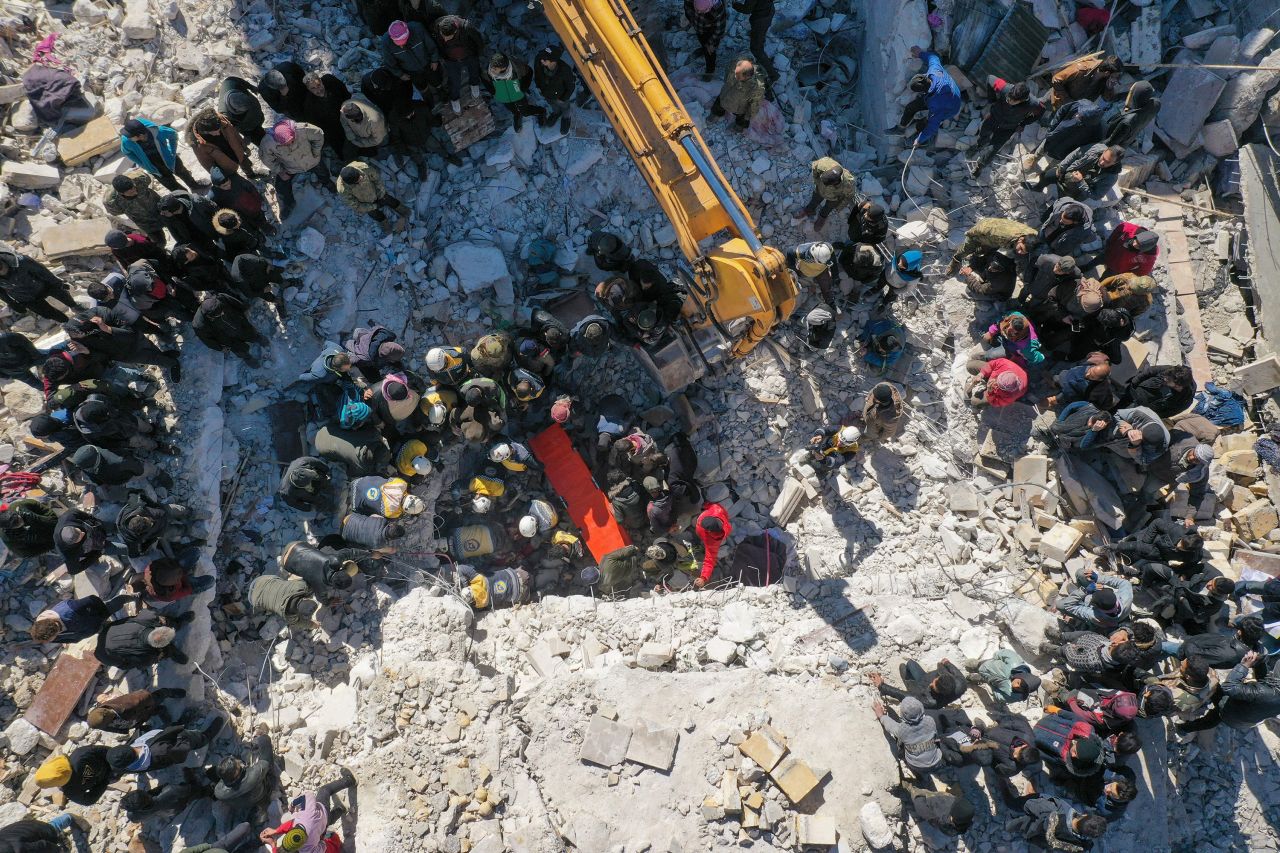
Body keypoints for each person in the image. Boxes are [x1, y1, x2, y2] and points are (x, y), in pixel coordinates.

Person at [259, 769, 357, 852]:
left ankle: (340, 809)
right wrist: (292, 805)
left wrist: (273, 843)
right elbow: (308, 796)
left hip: (323, 828)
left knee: (329, 820)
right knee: (325, 790)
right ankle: (349, 780)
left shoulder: (307, 850)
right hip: (323, 811)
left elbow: (322, 847)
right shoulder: (304, 816)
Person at [106, 717, 226, 776]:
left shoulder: (125, 766)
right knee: (197, 739)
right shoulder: (160, 751)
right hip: (175, 741)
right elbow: (180, 752)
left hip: (161, 738)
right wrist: (183, 737)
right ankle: (206, 736)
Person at [259, 119, 330, 219]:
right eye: (285, 144)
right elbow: (266, 159)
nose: (289, 145)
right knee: (281, 187)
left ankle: (327, 182)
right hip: (290, 167)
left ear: (293, 133)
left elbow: (319, 135)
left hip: (311, 160)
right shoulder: (268, 143)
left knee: (322, 172)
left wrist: (316, 152)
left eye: (291, 141)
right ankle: (288, 204)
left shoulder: (304, 130)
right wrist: (280, 171)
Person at [971, 77, 1044, 173]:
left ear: (1023, 100)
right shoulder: (1005, 88)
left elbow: (1041, 110)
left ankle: (979, 166)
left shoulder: (1033, 104)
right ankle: (979, 145)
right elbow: (989, 78)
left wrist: (1023, 123)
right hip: (993, 117)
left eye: (1013, 101)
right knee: (984, 132)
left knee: (993, 148)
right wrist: (991, 100)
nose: (1009, 101)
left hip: (1009, 127)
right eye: (1008, 98)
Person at [890, 47, 961, 145]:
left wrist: (920, 139)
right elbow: (933, 58)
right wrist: (920, 53)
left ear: (923, 92)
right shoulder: (933, 71)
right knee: (911, 107)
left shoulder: (936, 105)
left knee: (925, 123)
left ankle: (923, 141)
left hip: (951, 107)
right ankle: (900, 129)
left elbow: (933, 126)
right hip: (948, 94)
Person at [1006, 784, 1108, 849]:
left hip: (1033, 826)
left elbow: (1028, 805)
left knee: (1017, 818)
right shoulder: (1082, 846)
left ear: (1084, 815)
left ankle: (1009, 822)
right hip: (1041, 838)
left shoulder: (1056, 811)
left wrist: (1034, 798)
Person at [120, 117, 203, 191]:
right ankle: (186, 197)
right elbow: (127, 152)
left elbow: (173, 135)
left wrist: (172, 151)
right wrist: (142, 164)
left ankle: (194, 186)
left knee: (183, 172)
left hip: (169, 157)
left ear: (140, 135)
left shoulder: (158, 131)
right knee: (171, 185)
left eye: (130, 136)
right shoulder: (126, 141)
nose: (128, 137)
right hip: (153, 166)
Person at [0, 245, 76, 322]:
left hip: (41, 285)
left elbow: (43, 272)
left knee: (63, 295)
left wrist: (57, 283)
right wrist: (11, 303)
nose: (2, 272)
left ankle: (76, 307)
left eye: (2, 269)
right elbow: (1, 292)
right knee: (47, 313)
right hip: (24, 297)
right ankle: (66, 323)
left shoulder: (21, 261)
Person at [95, 608, 191, 669]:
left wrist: (161, 620)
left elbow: (148, 612)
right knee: (159, 654)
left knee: (164, 620)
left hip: (108, 632)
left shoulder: (147, 618)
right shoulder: (146, 657)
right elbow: (141, 663)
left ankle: (177, 622)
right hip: (105, 654)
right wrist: (160, 655)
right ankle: (170, 652)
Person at [873, 695, 943, 777]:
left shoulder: (902, 730)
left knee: (901, 745)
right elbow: (936, 737)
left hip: (917, 765)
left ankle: (919, 775)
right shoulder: (930, 721)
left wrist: (881, 716)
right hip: (936, 761)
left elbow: (890, 726)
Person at [215, 725, 277, 814]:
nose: (238, 762)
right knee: (264, 740)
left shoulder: (219, 792)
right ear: (236, 772)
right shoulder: (254, 774)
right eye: (237, 765)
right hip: (261, 794)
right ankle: (273, 779)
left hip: (242, 804)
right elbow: (265, 763)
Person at [30, 593, 134, 644]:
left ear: (55, 631)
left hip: (95, 617)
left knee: (115, 604)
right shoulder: (45, 631)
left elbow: (92, 599)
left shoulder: (69, 609)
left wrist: (102, 614)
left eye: (50, 639)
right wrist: (76, 640)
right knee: (110, 628)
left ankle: (135, 596)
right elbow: (64, 639)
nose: (49, 642)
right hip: (89, 628)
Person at [1032, 144, 1124, 202]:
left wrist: (1081, 182)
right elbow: (1075, 154)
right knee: (1045, 176)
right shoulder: (1097, 148)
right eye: (1103, 158)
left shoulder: (1111, 177)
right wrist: (1062, 168)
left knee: (1054, 212)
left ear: (1115, 163)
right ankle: (1037, 188)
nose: (1102, 162)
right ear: (1104, 151)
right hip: (1065, 174)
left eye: (1108, 162)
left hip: (1075, 192)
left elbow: (1096, 195)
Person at [947, 218, 1037, 276]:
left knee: (984, 250)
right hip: (983, 232)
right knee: (966, 249)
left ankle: (975, 256)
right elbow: (983, 228)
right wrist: (969, 233)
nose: (1020, 252)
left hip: (994, 241)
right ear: (1021, 240)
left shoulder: (1033, 236)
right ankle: (955, 261)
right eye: (1020, 248)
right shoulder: (1001, 235)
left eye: (1024, 252)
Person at [432, 14, 485, 112]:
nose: (445, 39)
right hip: (451, 60)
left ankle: (474, 85)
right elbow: (436, 45)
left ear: (456, 30)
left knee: (474, 72)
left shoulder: (467, 27)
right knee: (454, 81)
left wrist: (478, 54)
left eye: (448, 37)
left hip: (469, 56)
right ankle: (454, 99)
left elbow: (478, 40)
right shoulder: (436, 29)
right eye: (443, 36)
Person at [337, 162, 410, 233]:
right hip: (365, 202)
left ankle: (401, 208)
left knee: (388, 199)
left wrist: (380, 193)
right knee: (374, 213)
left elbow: (377, 180)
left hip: (376, 193)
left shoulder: (363, 168)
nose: (362, 177)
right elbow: (356, 206)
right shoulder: (343, 190)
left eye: (360, 175)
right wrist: (373, 206)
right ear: (352, 183)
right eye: (359, 179)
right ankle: (383, 221)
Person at [1033, 710, 1107, 780]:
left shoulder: (1066, 759)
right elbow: (1072, 716)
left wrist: (1032, 747)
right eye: (1075, 751)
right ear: (1076, 742)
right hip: (1045, 717)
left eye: (1076, 757)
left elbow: (1047, 755)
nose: (1073, 755)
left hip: (1033, 735)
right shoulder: (1084, 728)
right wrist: (1058, 711)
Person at [122, 767, 217, 820]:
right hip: (179, 805)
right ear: (145, 794)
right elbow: (191, 788)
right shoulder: (171, 790)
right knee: (194, 788)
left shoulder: (133, 816)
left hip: (168, 813)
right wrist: (188, 773)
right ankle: (209, 791)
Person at [186, 107, 255, 180]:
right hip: (225, 163)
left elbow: (234, 133)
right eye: (215, 132)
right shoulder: (197, 145)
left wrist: (243, 146)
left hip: (237, 151)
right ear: (205, 131)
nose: (218, 133)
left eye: (219, 130)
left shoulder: (219, 120)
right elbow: (207, 163)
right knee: (235, 178)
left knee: (245, 163)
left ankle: (251, 175)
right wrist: (220, 176)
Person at [34, 746, 118, 805]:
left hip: (107, 777)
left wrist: (104, 783)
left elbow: (88, 800)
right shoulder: (79, 754)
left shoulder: (70, 791)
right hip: (115, 762)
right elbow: (105, 750)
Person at [870, 659, 968, 709]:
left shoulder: (929, 700)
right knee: (910, 663)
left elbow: (903, 695)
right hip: (924, 677)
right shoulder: (961, 683)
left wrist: (882, 686)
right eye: (935, 680)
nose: (931, 684)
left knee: (903, 668)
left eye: (933, 686)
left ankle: (910, 685)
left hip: (919, 689)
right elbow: (955, 671)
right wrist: (947, 663)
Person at [484, 52, 546, 131]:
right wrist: (494, 93)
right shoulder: (489, 71)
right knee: (512, 108)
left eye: (495, 68)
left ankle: (541, 111)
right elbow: (485, 81)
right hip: (504, 96)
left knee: (525, 111)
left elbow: (529, 72)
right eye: (492, 66)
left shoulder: (517, 68)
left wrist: (522, 89)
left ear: (504, 68)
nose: (491, 69)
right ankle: (517, 114)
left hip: (517, 94)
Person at [103, 170, 167, 244]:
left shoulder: (140, 178)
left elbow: (148, 179)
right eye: (130, 193)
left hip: (161, 210)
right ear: (121, 193)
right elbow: (116, 212)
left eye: (134, 188)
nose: (135, 192)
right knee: (160, 242)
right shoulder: (112, 201)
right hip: (146, 223)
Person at [87, 686, 186, 733]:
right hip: (139, 714)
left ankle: (167, 699)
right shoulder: (122, 707)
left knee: (156, 704)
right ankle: (163, 709)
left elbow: (139, 698)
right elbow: (142, 697)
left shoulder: (102, 723)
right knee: (158, 703)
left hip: (140, 712)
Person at [1057, 570, 1133, 630]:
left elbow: (1068, 605)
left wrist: (1084, 591)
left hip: (1087, 606)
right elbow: (1125, 583)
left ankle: (1078, 598)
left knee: (1060, 605)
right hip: (1115, 613)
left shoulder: (1095, 615)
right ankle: (1078, 595)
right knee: (1081, 573)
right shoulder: (1125, 599)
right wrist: (1098, 578)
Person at [894, 782, 975, 836]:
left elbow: (922, 802)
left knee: (918, 799)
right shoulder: (964, 820)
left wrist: (913, 791)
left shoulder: (942, 804)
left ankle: (910, 787)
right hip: (945, 819)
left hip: (933, 806)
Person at [798, 157, 858, 228]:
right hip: (820, 190)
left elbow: (848, 197)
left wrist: (838, 207)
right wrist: (816, 181)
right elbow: (815, 166)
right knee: (814, 200)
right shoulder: (824, 164)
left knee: (827, 208)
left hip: (834, 198)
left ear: (835, 182)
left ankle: (822, 217)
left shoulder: (848, 183)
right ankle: (809, 210)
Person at [964, 648, 1042, 703]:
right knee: (975, 664)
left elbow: (1001, 698)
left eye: (1020, 689)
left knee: (982, 679)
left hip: (993, 683)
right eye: (1018, 683)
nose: (1015, 686)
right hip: (987, 665)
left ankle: (973, 678)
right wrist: (995, 657)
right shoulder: (1015, 664)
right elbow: (1006, 653)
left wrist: (994, 688)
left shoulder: (1016, 696)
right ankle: (976, 666)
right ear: (1021, 676)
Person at [711, 56, 768, 131]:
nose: (735, 76)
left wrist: (748, 116)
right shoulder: (736, 68)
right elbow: (727, 75)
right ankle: (716, 113)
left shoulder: (756, 87)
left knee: (744, 117)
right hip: (725, 96)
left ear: (747, 76)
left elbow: (754, 105)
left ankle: (739, 126)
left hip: (740, 107)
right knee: (719, 103)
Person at [1047, 352, 1119, 410]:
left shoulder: (1098, 388)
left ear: (1099, 379)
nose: (1087, 374)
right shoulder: (1093, 364)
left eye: (1092, 376)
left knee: (1058, 392)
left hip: (1067, 384)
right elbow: (1092, 355)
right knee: (1056, 386)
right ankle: (1053, 388)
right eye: (1091, 371)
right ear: (1095, 366)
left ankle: (1052, 394)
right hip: (1066, 381)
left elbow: (1091, 354)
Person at [1050, 54, 1123, 109]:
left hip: (1072, 110)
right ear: (1107, 73)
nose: (1116, 79)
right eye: (1115, 76)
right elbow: (1056, 79)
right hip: (1056, 103)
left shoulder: (1105, 80)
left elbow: (1107, 99)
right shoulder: (1081, 70)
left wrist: (1109, 88)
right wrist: (1068, 101)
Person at [210, 166, 270, 234]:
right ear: (217, 186)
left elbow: (250, 187)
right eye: (224, 186)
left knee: (260, 217)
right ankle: (257, 234)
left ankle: (265, 227)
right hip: (240, 215)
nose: (229, 186)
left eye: (229, 182)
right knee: (249, 226)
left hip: (252, 207)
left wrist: (258, 199)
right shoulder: (214, 195)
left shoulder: (235, 178)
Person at [1118, 365, 1195, 418]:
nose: (1165, 379)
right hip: (1134, 392)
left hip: (1141, 409)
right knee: (1116, 404)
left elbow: (1168, 413)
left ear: (1178, 386)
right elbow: (1150, 371)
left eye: (1168, 380)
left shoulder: (1185, 401)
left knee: (1120, 416)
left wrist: (1150, 414)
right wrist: (1135, 382)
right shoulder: (1171, 371)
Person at [532, 46, 578, 134]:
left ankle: (566, 118)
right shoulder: (539, 62)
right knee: (553, 105)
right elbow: (537, 74)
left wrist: (564, 98)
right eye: (542, 58)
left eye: (545, 60)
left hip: (561, 96)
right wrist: (540, 88)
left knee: (565, 108)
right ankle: (556, 113)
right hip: (547, 94)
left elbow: (571, 86)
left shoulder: (565, 70)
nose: (541, 60)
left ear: (553, 62)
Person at [249, 574, 321, 629]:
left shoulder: (301, 586)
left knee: (281, 582)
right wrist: (313, 625)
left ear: (305, 599)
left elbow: (312, 581)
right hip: (253, 598)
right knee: (269, 606)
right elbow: (299, 623)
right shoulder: (288, 615)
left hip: (262, 580)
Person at [52, 509, 110, 575]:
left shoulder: (69, 516)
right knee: (120, 548)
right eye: (81, 537)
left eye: (79, 531)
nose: (83, 533)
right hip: (96, 547)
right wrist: (97, 554)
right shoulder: (67, 553)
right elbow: (73, 571)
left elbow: (83, 515)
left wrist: (96, 521)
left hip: (96, 529)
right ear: (74, 544)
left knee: (117, 527)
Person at [730, 0, 776, 82]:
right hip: (767, 11)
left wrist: (734, 4)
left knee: (756, 49)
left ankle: (773, 75)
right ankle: (763, 57)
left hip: (761, 19)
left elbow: (747, 10)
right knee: (759, 38)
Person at [1106, 80, 1160, 148]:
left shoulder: (1126, 121)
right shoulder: (1156, 105)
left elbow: (1110, 143)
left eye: (1131, 92)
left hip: (1115, 145)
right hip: (1129, 139)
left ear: (1134, 95)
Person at [692, 502, 731, 589]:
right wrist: (705, 505)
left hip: (703, 535)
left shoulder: (711, 541)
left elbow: (710, 560)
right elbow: (711, 505)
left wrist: (703, 577)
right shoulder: (717, 509)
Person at [219, 75, 268, 144]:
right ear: (236, 111)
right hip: (246, 126)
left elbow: (238, 80)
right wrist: (246, 137)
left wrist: (251, 87)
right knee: (257, 137)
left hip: (255, 114)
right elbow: (232, 129)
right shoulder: (225, 115)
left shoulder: (231, 82)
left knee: (259, 124)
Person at [685, 0, 727, 80]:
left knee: (710, 52)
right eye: (697, 11)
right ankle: (704, 48)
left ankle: (710, 71)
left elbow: (719, 30)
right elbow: (687, 7)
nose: (699, 13)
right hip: (700, 28)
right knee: (703, 43)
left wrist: (711, 43)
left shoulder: (717, 9)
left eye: (703, 12)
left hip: (710, 30)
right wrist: (691, 18)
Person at [0, 815, 82, 851]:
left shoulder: (16, 850)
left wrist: (59, 851)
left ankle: (69, 818)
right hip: (18, 830)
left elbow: (43, 845)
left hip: (36, 829)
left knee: (52, 829)